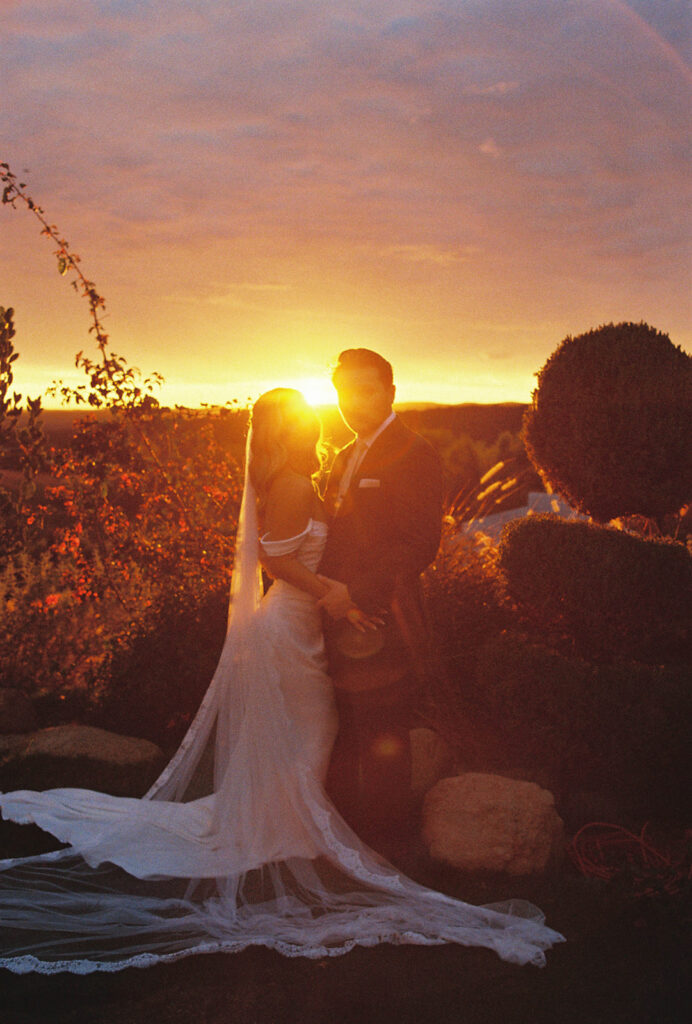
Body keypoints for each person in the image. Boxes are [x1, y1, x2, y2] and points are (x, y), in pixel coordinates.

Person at [0, 386, 563, 974]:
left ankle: (285, 826)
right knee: (316, 727)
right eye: (301, 418)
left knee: (308, 731)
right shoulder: (293, 485)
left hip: (304, 630)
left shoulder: (301, 476)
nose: (313, 424)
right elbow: (274, 559)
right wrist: (337, 598)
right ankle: (286, 833)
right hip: (292, 627)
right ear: (285, 429)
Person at [317, 349, 443, 858]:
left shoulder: (415, 452)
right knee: (344, 731)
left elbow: (419, 543)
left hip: (385, 619)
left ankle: (391, 852)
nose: (354, 402)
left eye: (366, 390)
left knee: (385, 737)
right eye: (345, 391)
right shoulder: (345, 454)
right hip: (337, 619)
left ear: (390, 392)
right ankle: (346, 844)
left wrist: (356, 593)